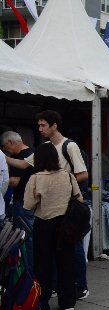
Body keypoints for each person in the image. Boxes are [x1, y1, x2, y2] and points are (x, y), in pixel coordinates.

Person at [7, 111, 90, 300]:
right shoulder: (44, 146)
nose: (40, 129)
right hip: (50, 208)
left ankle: (80, 285)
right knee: (53, 248)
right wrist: (3, 157)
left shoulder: (70, 146)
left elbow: (83, 174)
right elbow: (22, 164)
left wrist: (61, 186)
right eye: (39, 125)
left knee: (72, 246)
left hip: (68, 205)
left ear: (54, 126)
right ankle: (54, 286)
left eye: (43, 125)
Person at [24, 143, 83, 310]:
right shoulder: (68, 175)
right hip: (66, 224)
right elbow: (78, 198)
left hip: (44, 223)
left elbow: (28, 204)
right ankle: (68, 301)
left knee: (43, 263)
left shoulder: (36, 178)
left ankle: (43, 302)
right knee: (66, 261)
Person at [1, 131, 34, 264]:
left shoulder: (20, 157)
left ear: (10, 142)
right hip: (32, 202)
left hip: (22, 202)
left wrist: (3, 178)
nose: (5, 150)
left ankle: (27, 267)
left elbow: (14, 181)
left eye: (4, 146)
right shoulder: (32, 152)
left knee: (24, 237)